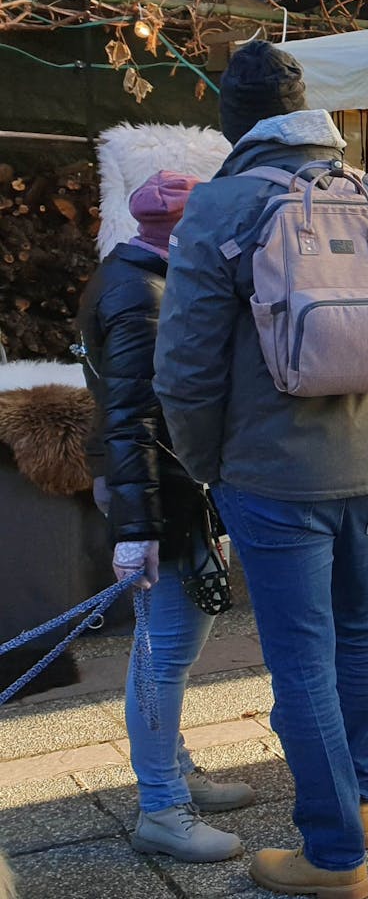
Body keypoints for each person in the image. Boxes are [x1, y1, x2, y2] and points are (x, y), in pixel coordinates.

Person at [154, 41, 368, 899]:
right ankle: (363, 801)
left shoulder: (221, 210)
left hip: (271, 475)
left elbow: (184, 368)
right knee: (361, 633)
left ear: (233, 123)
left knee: (300, 660)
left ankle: (332, 857)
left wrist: (210, 463)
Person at [78, 170, 256, 862]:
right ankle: (161, 805)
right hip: (161, 492)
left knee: (168, 652)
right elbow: (130, 420)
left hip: (163, 487)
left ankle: (173, 774)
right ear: (184, 229)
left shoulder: (132, 275)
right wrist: (138, 529)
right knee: (163, 657)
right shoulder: (140, 293)